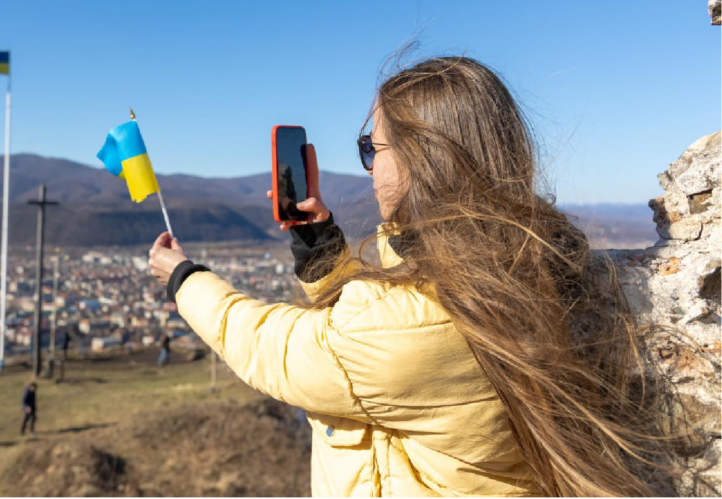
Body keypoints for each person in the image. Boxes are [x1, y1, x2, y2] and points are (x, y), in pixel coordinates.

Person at [148, 56, 669, 498]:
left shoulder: (409, 322)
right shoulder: (530, 262)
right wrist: (322, 246)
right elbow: (383, 312)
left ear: (422, 158)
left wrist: (184, 276)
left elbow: (274, 350)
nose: (369, 168)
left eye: (373, 149)